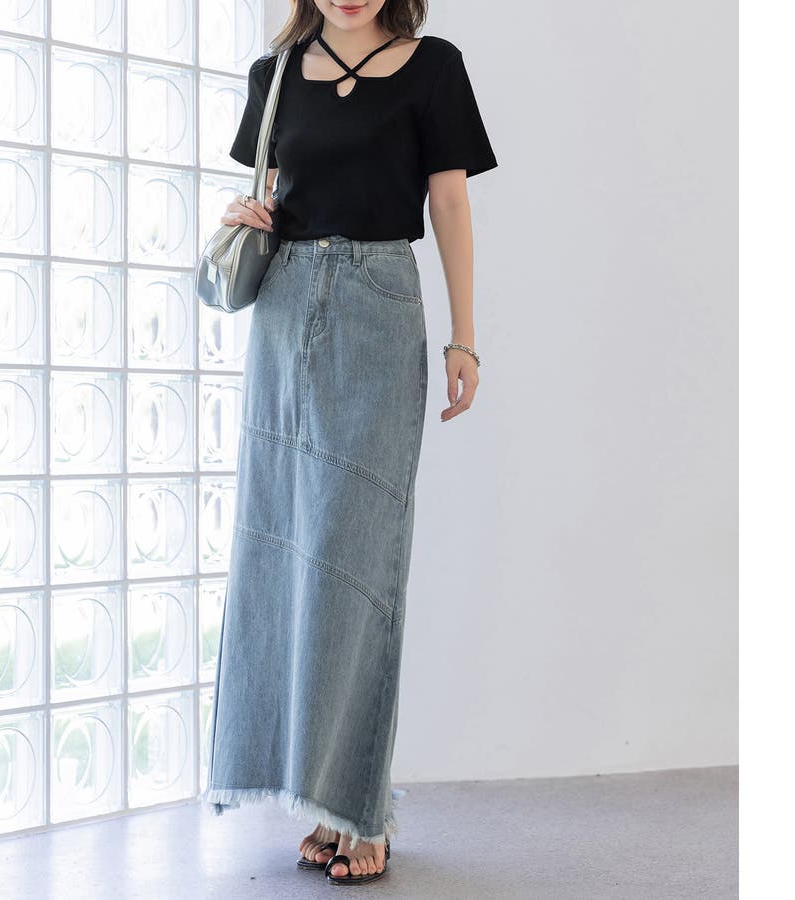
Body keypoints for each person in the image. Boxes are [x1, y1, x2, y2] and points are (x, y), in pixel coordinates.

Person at [202, 0, 497, 886]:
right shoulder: (274, 76)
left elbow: (450, 201)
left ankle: (362, 809)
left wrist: (465, 337)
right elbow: (269, 192)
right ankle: (318, 799)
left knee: (360, 564)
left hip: (380, 304)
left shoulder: (434, 66)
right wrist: (242, 213)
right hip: (285, 312)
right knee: (280, 551)